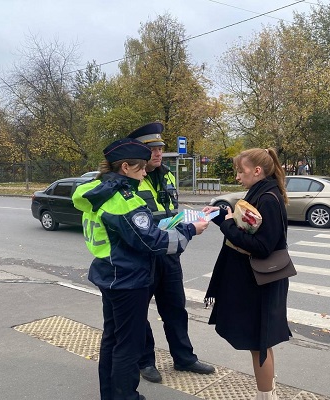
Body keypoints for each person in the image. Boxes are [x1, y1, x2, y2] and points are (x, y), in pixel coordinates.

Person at [72, 137, 209, 400]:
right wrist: (191, 229)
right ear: (125, 167)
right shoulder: (123, 200)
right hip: (128, 279)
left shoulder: (97, 190)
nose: (145, 172)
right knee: (129, 347)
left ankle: (110, 395)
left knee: (112, 340)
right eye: (141, 168)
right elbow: (154, 242)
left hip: (109, 273)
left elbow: (136, 232)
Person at [127, 122, 216, 383]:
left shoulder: (167, 175)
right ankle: (145, 361)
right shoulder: (130, 180)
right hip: (143, 258)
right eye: (151, 148)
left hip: (169, 255)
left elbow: (170, 212)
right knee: (139, 313)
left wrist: (194, 217)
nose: (157, 153)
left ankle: (184, 358)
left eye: (160, 148)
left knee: (176, 309)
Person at [202, 148, 291, 400]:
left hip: (260, 282)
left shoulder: (268, 198)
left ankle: (266, 397)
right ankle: (268, 393)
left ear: (257, 171)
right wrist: (223, 218)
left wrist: (227, 224)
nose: (238, 177)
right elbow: (248, 228)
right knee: (262, 343)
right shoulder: (262, 192)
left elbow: (262, 247)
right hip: (259, 281)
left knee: (259, 346)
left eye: (241, 171)